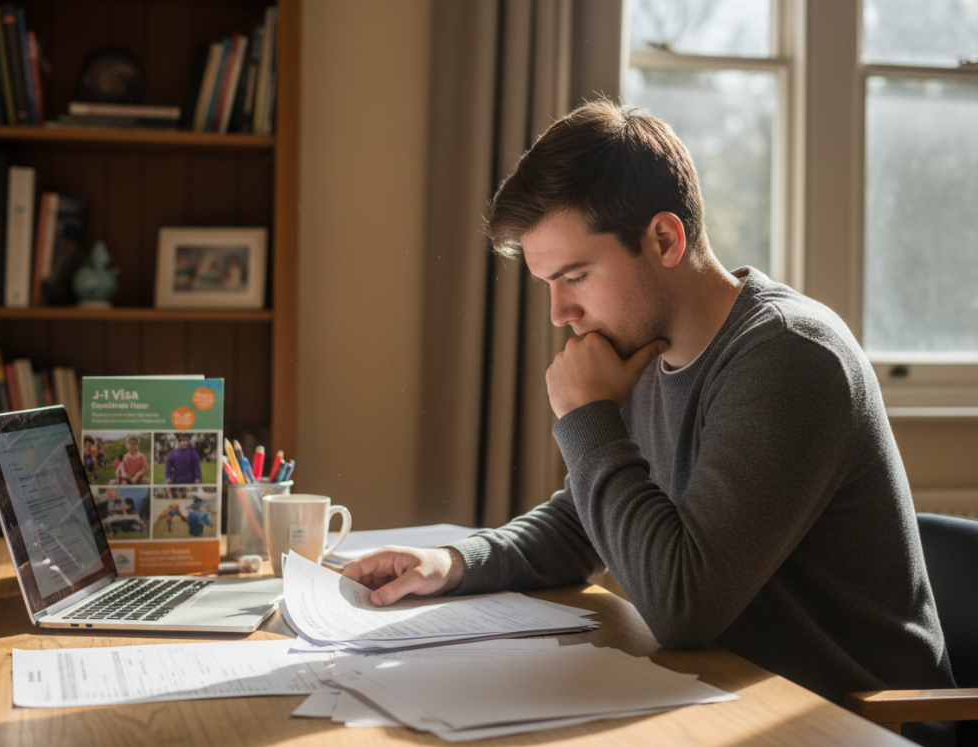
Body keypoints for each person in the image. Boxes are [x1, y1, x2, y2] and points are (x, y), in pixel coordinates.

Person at [342, 100, 955, 746]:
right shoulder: (645, 348)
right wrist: (452, 561)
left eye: (574, 276)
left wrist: (588, 416)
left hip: (854, 725)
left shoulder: (790, 356)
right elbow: (587, 518)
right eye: (549, 282)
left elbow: (681, 605)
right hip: (733, 700)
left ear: (665, 239)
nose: (558, 312)